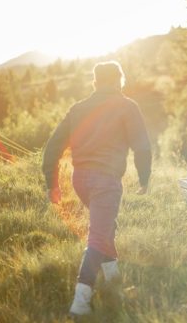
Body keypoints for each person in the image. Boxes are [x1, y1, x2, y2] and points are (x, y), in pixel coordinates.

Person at [42, 61, 152, 316]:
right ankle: (81, 299)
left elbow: (52, 147)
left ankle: (113, 276)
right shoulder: (127, 106)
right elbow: (142, 146)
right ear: (119, 80)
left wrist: (52, 183)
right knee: (98, 235)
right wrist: (145, 178)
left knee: (105, 226)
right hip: (105, 180)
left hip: (80, 179)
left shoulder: (78, 108)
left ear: (95, 82)